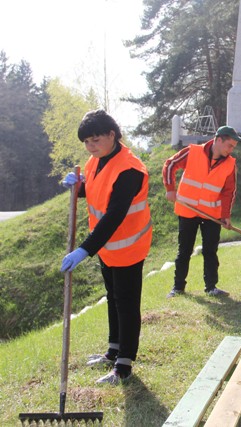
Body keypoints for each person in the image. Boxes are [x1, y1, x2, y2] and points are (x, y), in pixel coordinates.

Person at [60, 109, 152, 385]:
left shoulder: (130, 169)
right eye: (86, 142)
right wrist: (77, 187)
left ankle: (124, 365)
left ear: (112, 135)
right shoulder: (95, 160)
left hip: (129, 245)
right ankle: (113, 350)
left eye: (95, 140)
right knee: (113, 297)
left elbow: (114, 215)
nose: (91, 146)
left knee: (126, 302)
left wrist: (84, 249)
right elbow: (96, 189)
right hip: (108, 246)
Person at [163, 125, 241, 298]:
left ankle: (211, 287)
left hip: (212, 214)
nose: (231, 150)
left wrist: (226, 215)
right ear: (218, 140)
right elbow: (170, 164)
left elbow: (229, 192)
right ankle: (178, 288)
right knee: (184, 250)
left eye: (233, 147)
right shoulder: (192, 152)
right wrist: (170, 189)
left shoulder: (230, 164)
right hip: (187, 209)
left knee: (210, 251)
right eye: (229, 145)